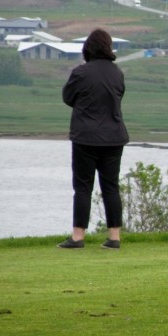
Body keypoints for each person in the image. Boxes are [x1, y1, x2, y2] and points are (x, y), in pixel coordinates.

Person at [57, 28, 129, 249]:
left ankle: (78, 236)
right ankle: (114, 237)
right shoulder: (117, 73)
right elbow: (119, 95)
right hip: (114, 137)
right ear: (108, 48)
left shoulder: (80, 72)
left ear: (87, 48)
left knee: (82, 187)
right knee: (111, 186)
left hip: (85, 137)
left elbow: (67, 97)